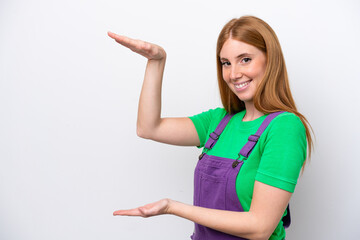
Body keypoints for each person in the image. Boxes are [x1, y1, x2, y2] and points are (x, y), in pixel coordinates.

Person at [108, 15, 313, 240]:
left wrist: (171, 207)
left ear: (270, 60)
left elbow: (260, 227)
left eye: (245, 59)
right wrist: (156, 61)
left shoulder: (284, 127)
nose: (233, 74)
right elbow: (148, 128)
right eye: (226, 63)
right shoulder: (219, 121)